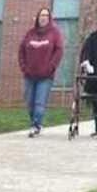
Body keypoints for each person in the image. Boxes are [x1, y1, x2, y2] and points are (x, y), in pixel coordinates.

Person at [19, 7, 64, 137]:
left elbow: (59, 51)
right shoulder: (30, 33)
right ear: (38, 18)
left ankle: (36, 125)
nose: (43, 17)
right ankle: (34, 122)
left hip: (46, 76)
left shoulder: (55, 33)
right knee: (29, 102)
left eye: (46, 15)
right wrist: (24, 67)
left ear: (49, 18)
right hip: (29, 74)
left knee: (39, 102)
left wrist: (51, 67)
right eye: (41, 15)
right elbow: (21, 51)